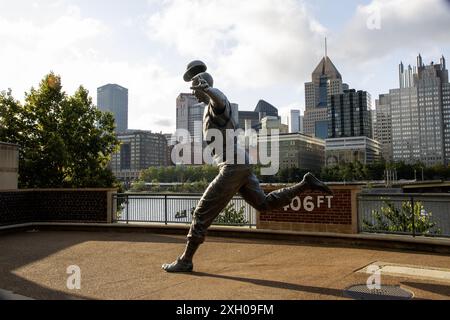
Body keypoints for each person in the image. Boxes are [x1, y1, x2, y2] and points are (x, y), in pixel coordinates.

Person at [162, 61, 332, 273]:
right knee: (264, 204)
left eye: (196, 89)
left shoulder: (217, 107)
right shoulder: (208, 111)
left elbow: (220, 99)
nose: (194, 93)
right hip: (240, 163)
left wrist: (208, 90)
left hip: (232, 165)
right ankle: (305, 183)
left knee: (201, 212)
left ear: (204, 86)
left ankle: (186, 260)